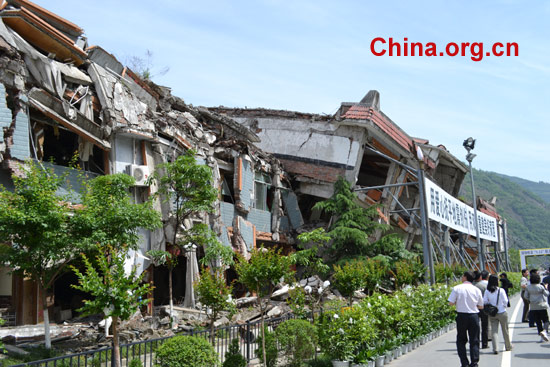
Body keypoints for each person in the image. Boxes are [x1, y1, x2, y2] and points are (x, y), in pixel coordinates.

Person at [448, 271, 484, 367]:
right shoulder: (476, 290)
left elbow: (450, 303)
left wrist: (458, 303)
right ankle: (474, 362)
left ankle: (464, 363)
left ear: (465, 277)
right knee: (474, 340)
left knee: (461, 340)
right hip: (474, 316)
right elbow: (481, 306)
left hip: (462, 316)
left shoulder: (457, 288)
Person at [483, 275, 512, 354]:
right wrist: (503, 306)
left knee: (494, 331)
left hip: (492, 314)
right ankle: (508, 346)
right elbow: (505, 301)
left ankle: (495, 348)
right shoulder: (501, 290)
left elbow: (485, 301)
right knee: (505, 330)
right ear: (496, 281)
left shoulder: (487, 291)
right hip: (502, 312)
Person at [525, 273, 549, 342]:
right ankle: (545, 331)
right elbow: (546, 294)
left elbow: (525, 296)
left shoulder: (528, 287)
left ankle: (541, 337)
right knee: (546, 320)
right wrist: (545, 288)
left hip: (533, 307)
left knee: (538, 322)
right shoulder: (540, 286)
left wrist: (530, 299)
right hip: (541, 306)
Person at [474, 270, 490, 348]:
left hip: (473, 308)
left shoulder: (471, 286)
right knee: (485, 326)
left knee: (475, 327)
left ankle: (475, 343)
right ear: (480, 277)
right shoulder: (483, 286)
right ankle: (484, 343)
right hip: (483, 307)